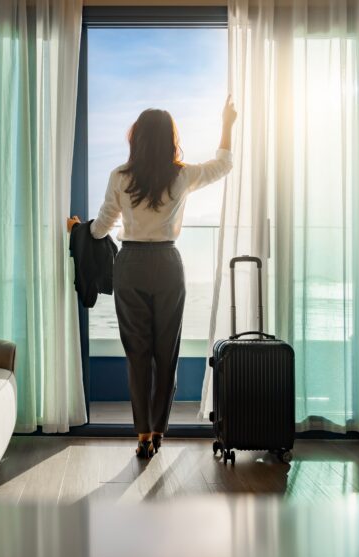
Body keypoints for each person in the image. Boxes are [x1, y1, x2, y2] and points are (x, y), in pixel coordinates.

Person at [68, 95, 238, 458]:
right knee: (166, 354)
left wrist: (77, 229)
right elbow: (224, 164)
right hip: (168, 264)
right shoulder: (182, 175)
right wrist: (226, 124)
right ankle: (159, 429)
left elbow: (100, 229)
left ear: (137, 138)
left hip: (129, 265)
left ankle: (143, 435)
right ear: (169, 139)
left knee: (138, 355)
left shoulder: (120, 176)